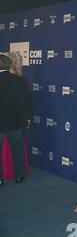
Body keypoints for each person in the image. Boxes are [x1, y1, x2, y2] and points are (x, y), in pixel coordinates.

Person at [0, 54, 32, 186]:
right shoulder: (20, 80)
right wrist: (28, 117)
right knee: (18, 149)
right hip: (17, 122)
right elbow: (27, 101)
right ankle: (19, 176)